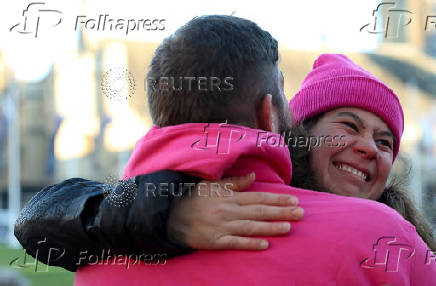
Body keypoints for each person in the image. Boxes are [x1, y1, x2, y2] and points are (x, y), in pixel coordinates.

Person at [15, 16, 436, 284]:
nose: (369, 148)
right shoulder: (378, 236)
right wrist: (166, 212)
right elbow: (38, 220)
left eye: (386, 142)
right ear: (280, 124)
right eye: (348, 126)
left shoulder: (101, 262)